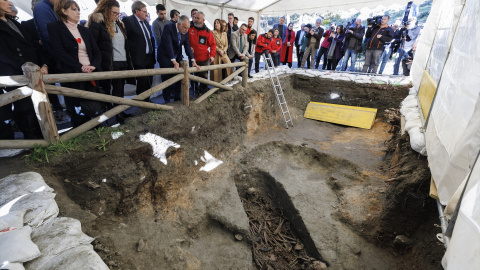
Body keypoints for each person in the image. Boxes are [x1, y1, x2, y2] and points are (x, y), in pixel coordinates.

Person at [47, 0, 102, 127]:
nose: (78, 12)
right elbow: (59, 52)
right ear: (64, 11)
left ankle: (96, 127)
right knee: (76, 104)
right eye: (74, 9)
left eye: (78, 9)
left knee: (93, 102)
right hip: (72, 73)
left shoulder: (85, 30)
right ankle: (80, 130)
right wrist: (80, 67)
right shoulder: (54, 27)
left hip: (91, 73)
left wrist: (93, 66)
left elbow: (97, 52)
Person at [0, 0, 48, 139]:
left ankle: (42, 136)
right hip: (14, 73)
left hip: (31, 71)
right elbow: (3, 53)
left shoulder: (12, 21)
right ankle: (32, 140)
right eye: (4, 0)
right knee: (24, 106)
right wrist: (25, 65)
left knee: (37, 103)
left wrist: (43, 63)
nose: (10, 3)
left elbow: (29, 45)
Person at [88, 0, 132, 123]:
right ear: (106, 10)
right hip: (107, 63)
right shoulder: (98, 23)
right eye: (113, 12)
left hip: (122, 61)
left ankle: (119, 112)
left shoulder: (119, 24)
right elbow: (93, 45)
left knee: (119, 89)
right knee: (106, 90)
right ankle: (108, 115)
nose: (116, 15)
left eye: (118, 13)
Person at [32, 0, 64, 120]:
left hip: (58, 56)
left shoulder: (54, 7)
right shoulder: (41, 8)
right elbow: (49, 36)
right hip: (54, 58)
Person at [158, 15, 198, 103]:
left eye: (188, 28)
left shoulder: (185, 32)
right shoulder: (168, 28)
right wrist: (173, 60)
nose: (186, 30)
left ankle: (177, 98)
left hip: (177, 56)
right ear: (179, 24)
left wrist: (193, 60)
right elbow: (168, 45)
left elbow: (187, 46)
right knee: (167, 79)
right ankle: (167, 100)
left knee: (179, 78)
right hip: (165, 57)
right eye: (185, 28)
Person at [122, 1, 155, 95]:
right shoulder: (128, 20)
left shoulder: (146, 23)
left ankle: (147, 100)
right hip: (139, 58)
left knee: (149, 80)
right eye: (144, 11)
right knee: (142, 81)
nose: (146, 14)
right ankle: (141, 101)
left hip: (149, 57)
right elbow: (126, 40)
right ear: (136, 11)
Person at [189, 11, 216, 95]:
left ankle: (203, 93)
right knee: (193, 77)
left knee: (203, 77)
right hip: (193, 58)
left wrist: (212, 55)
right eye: (194, 18)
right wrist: (188, 47)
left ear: (203, 20)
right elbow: (184, 40)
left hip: (204, 59)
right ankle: (195, 93)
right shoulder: (190, 28)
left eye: (197, 18)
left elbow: (213, 45)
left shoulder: (208, 32)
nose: (195, 19)